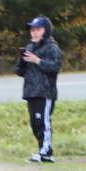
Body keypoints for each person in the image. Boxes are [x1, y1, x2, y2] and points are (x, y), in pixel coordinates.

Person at [18, 16, 64, 162]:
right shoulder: (30, 47)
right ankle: (42, 149)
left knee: (43, 122)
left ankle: (47, 152)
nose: (34, 33)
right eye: (32, 30)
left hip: (45, 92)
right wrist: (22, 61)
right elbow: (19, 71)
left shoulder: (52, 47)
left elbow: (55, 67)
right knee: (35, 123)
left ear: (46, 30)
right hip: (31, 92)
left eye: (38, 29)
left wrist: (37, 60)